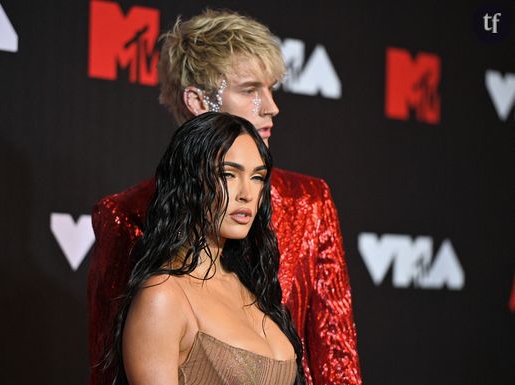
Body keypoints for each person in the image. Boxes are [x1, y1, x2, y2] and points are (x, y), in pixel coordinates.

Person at [89, 9, 362, 385]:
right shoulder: (126, 214)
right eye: (250, 90)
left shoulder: (308, 201)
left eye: (271, 89)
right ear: (198, 101)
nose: (271, 106)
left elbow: (336, 354)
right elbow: (111, 365)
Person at [107, 112, 303, 385]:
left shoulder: (250, 286)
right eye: (228, 174)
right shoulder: (163, 297)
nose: (247, 193)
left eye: (257, 177)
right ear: (189, 182)